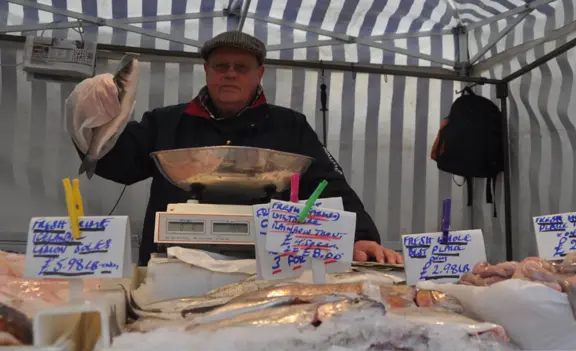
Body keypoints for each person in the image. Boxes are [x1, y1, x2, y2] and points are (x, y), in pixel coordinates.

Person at [74, 31, 404, 266]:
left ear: (259, 74)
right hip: (172, 261)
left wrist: (359, 235)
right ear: (207, 70)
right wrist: (87, 125)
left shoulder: (290, 126)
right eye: (221, 66)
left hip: (266, 266)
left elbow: (326, 182)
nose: (230, 74)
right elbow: (117, 164)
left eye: (241, 67)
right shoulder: (165, 121)